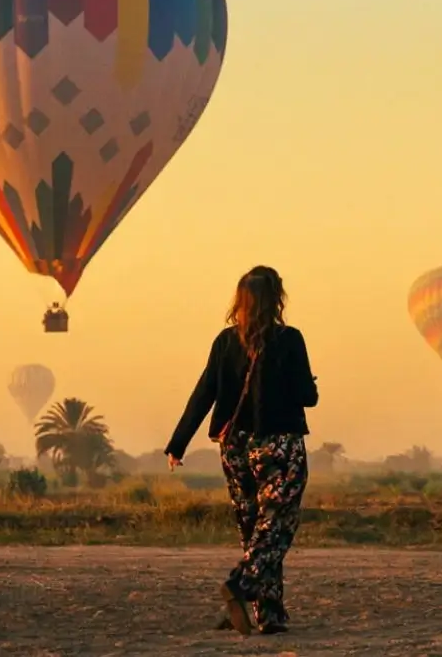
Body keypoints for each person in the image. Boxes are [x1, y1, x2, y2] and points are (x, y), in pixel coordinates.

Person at [164, 266, 319, 636]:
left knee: (254, 527)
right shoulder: (290, 339)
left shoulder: (224, 342)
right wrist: (308, 385)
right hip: (278, 444)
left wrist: (178, 443)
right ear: (277, 298)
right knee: (276, 525)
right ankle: (240, 585)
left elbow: (204, 392)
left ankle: (270, 614)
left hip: (233, 446)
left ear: (240, 301)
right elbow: (307, 398)